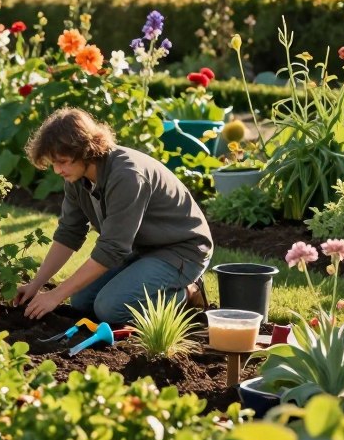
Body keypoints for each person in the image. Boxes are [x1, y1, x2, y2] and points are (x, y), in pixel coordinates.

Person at [14, 107, 211, 324]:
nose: (58, 170)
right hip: (140, 248)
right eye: (54, 163)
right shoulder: (77, 178)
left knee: (111, 309)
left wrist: (56, 295)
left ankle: (187, 292)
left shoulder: (127, 175)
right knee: (81, 301)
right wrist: (36, 284)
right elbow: (69, 233)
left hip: (181, 251)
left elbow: (112, 248)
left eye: (62, 161)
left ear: (85, 149)